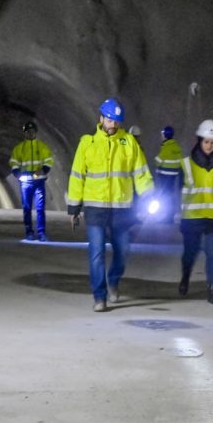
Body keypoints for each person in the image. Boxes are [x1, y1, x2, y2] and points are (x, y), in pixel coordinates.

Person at [67, 98, 154, 312]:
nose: (112, 125)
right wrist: (74, 209)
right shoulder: (87, 143)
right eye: (109, 120)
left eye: (116, 121)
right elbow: (77, 177)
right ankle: (100, 296)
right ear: (101, 119)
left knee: (122, 250)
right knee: (96, 253)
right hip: (95, 209)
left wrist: (148, 195)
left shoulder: (129, 143)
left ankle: (114, 279)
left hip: (122, 209)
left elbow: (141, 173)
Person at [178, 119, 213, 305]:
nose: (209, 146)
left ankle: (212, 290)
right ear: (199, 141)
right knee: (190, 253)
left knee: (212, 253)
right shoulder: (186, 165)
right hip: (192, 217)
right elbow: (178, 189)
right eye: (206, 142)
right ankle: (185, 278)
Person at [9, 121, 54, 241]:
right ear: (24, 133)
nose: (30, 133)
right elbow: (14, 162)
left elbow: (48, 161)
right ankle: (29, 232)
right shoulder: (19, 149)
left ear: (36, 132)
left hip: (39, 182)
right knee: (27, 208)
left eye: (32, 131)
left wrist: (43, 170)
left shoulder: (42, 147)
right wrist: (17, 173)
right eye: (28, 132)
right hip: (25, 183)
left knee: (40, 208)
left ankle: (41, 233)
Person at [154, 125, 183, 221]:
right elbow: (180, 160)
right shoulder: (176, 146)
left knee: (165, 195)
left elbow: (159, 160)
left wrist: (155, 161)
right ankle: (170, 215)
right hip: (174, 175)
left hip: (164, 175)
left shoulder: (166, 147)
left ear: (165, 135)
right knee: (170, 194)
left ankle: (167, 216)